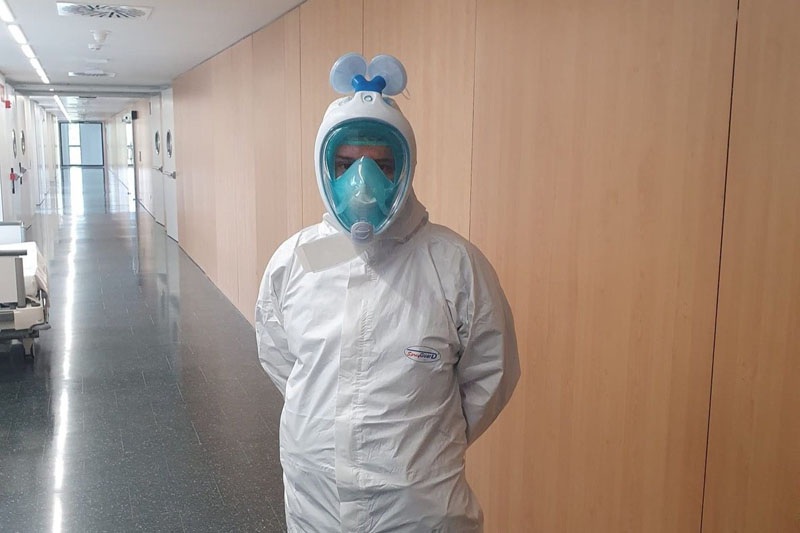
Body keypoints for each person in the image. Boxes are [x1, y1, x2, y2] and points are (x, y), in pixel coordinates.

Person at [256, 53, 520, 532]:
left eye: (381, 164)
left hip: (418, 508)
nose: (362, 182)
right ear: (324, 167)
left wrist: (424, 448)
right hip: (317, 498)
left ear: (405, 167)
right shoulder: (297, 261)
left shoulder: (455, 265)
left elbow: (491, 374)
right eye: (345, 164)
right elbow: (280, 357)